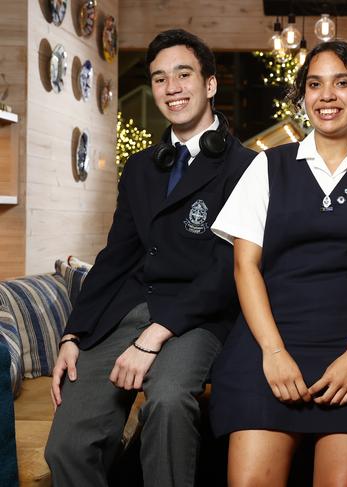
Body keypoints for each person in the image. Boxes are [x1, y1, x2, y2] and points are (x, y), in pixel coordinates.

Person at [45, 29, 255, 487]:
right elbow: (115, 258)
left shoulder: (249, 167)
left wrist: (154, 338)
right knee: (66, 446)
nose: (171, 87)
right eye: (159, 79)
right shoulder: (141, 166)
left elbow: (228, 270)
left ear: (211, 84)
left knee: (168, 402)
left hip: (197, 319)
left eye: (183, 74)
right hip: (126, 314)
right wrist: (73, 332)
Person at [210, 40, 347, 486]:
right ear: (302, 96)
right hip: (269, 340)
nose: (327, 96)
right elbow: (244, 267)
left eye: (341, 83)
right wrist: (273, 353)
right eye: (315, 84)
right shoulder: (267, 166)